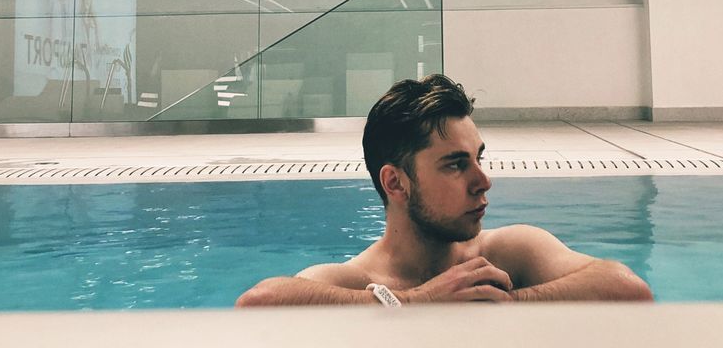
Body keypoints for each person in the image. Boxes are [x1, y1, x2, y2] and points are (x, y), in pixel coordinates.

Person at [236, 74, 653, 306]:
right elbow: (258, 304)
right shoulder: (356, 281)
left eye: (478, 158)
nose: (483, 181)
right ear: (395, 182)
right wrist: (416, 302)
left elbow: (629, 288)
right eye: (456, 164)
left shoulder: (510, 254)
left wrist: (513, 301)